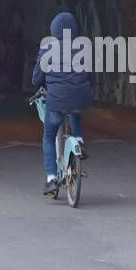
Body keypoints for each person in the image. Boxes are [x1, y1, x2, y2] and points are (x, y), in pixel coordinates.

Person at [31, 11, 92, 195]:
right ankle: (79, 141)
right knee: (74, 109)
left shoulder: (47, 50)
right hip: (79, 98)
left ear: (53, 30)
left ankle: (51, 179)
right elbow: (89, 75)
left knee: (48, 136)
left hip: (56, 100)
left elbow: (35, 79)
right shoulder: (83, 48)